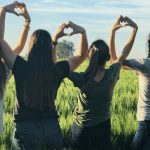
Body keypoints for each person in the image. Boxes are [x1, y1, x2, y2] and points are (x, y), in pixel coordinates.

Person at [0, 1, 88, 150]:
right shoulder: (57, 70)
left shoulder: (20, 66)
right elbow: (81, 55)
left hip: (25, 132)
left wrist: (3, 11)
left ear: (31, 47)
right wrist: (82, 32)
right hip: (52, 131)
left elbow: (1, 42)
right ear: (49, 48)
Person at [68, 16, 138, 150]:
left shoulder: (82, 78)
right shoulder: (112, 73)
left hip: (80, 129)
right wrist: (133, 30)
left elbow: (62, 68)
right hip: (102, 128)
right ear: (107, 58)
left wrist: (55, 41)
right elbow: (124, 53)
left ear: (90, 56)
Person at [110, 16, 150, 150]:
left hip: (146, 120)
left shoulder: (145, 65)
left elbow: (114, 62)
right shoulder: (144, 66)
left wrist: (114, 32)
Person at [0, 2, 31, 136]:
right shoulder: (3, 72)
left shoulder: (3, 70)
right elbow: (18, 48)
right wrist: (26, 20)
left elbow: (18, 48)